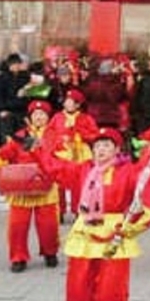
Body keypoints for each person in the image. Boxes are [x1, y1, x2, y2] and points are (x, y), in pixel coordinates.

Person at [48, 128, 150, 301]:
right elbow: (55, 168)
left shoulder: (129, 172)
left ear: (118, 150)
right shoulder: (83, 169)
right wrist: (36, 150)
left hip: (115, 235)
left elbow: (148, 192)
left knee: (110, 296)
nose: (101, 149)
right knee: (79, 295)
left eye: (107, 145)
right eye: (98, 145)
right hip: (85, 235)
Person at [0, 100, 61, 272]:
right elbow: (8, 152)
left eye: (42, 114)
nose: (39, 117)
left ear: (48, 117)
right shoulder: (20, 136)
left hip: (45, 184)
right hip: (21, 186)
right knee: (17, 225)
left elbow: (63, 155)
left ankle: (50, 252)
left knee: (48, 224)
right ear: (30, 117)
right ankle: (18, 257)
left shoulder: (55, 135)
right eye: (35, 115)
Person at [47, 89, 99, 222]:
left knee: (79, 185)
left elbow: (95, 135)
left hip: (81, 155)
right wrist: (57, 143)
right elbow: (49, 134)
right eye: (66, 101)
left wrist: (80, 133)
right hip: (62, 154)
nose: (67, 103)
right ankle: (59, 210)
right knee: (59, 185)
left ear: (77, 105)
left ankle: (78, 210)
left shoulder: (86, 118)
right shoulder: (57, 117)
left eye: (71, 102)